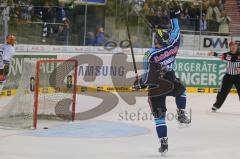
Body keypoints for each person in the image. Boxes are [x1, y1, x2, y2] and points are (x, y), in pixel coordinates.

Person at [133, 1, 191, 155]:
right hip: (170, 79)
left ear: (155, 41)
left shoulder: (150, 54)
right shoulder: (173, 45)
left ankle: (164, 143)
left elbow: (148, 78)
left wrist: (139, 83)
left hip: (156, 86)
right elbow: (176, 29)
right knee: (182, 90)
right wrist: (174, 16)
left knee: (159, 117)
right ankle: (181, 113)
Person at [208, 41, 240, 111]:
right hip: (228, 76)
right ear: (230, 47)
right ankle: (216, 105)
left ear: (237, 47)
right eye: (232, 45)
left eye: (235, 45)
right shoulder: (226, 55)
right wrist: (213, 53)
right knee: (222, 92)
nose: (233, 47)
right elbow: (219, 54)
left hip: (238, 77)